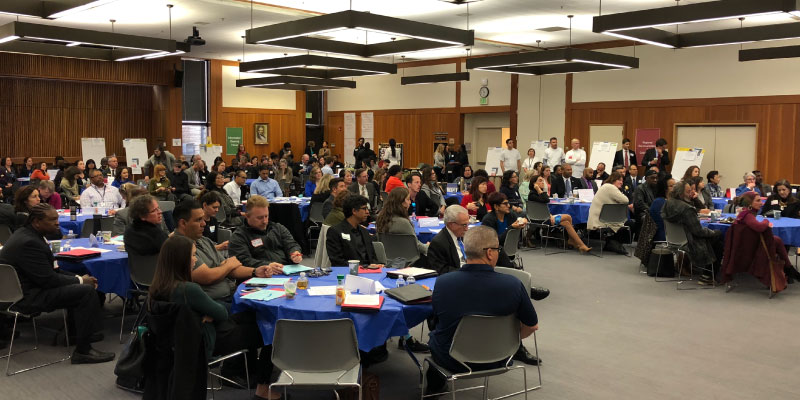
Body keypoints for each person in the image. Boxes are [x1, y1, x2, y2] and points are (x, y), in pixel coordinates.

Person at [424, 226, 539, 396]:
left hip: (453, 359)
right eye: (498, 249)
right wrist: (508, 341)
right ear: (490, 253)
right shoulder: (513, 285)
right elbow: (532, 326)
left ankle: (435, 389)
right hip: (502, 357)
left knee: (435, 335)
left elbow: (438, 321)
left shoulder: (443, 283)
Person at [0, 204, 115, 364]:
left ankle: (77, 333)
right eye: (52, 220)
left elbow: (53, 272)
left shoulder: (28, 234)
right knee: (85, 292)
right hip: (24, 298)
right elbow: (49, 280)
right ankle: (83, 351)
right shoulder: (29, 242)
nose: (57, 223)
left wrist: (79, 277)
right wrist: (81, 280)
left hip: (23, 290)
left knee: (81, 286)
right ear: (37, 222)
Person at [721, 191, 800, 289]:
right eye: (758, 201)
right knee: (777, 240)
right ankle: (789, 269)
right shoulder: (748, 215)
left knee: (777, 240)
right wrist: (766, 221)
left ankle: (788, 269)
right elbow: (759, 227)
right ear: (750, 203)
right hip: (750, 249)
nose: (761, 203)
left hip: (746, 246)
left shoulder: (743, 214)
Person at [661, 180, 724, 285]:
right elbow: (698, 231)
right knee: (718, 240)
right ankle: (707, 276)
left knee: (714, 238)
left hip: (672, 239)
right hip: (689, 242)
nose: (691, 193)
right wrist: (714, 232)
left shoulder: (668, 203)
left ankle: (704, 271)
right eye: (688, 191)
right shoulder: (687, 209)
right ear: (681, 193)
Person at [229, 195, 302, 267]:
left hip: (285, 270)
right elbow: (243, 260)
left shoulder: (278, 228)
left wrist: (294, 253)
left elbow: (291, 244)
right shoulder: (239, 236)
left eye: (266, 216)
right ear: (247, 216)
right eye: (259, 218)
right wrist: (268, 265)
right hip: (259, 275)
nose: (264, 221)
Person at [529, 176, 591, 253]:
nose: (542, 182)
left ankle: (580, 244)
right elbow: (545, 200)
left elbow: (545, 201)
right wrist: (538, 189)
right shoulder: (532, 195)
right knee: (568, 216)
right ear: (534, 183)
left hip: (547, 216)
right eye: (540, 181)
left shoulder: (540, 193)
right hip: (541, 219)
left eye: (542, 180)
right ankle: (573, 241)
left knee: (567, 223)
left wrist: (550, 215)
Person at [325, 195, 381, 267]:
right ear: (354, 211)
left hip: (370, 273)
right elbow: (337, 261)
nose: (367, 212)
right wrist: (363, 267)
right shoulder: (335, 232)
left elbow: (372, 258)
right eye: (364, 209)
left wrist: (377, 266)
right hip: (348, 273)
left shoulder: (364, 231)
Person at [376, 187, 428, 259]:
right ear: (402, 202)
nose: (410, 202)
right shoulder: (403, 223)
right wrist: (428, 246)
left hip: (387, 259)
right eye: (408, 199)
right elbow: (417, 246)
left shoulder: (380, 219)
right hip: (410, 260)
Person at [588, 172, 633, 255]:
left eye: (622, 181)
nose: (621, 182)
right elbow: (625, 200)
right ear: (613, 180)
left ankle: (613, 242)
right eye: (619, 180)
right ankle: (613, 242)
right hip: (603, 219)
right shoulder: (610, 187)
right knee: (631, 223)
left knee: (627, 222)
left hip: (600, 218)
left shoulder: (605, 186)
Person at [480, 192, 528, 269]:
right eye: (505, 204)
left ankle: (511, 268)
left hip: (509, 250)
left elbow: (519, 220)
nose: (508, 206)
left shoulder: (510, 216)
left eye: (508, 203)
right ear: (496, 206)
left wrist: (522, 221)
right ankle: (512, 268)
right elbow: (493, 242)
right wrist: (511, 228)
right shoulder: (488, 220)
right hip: (493, 251)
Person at [427, 205, 469, 275]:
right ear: (451, 225)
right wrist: (465, 272)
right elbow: (442, 270)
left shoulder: (464, 236)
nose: (467, 228)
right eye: (464, 225)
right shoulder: (439, 243)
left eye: (468, 224)